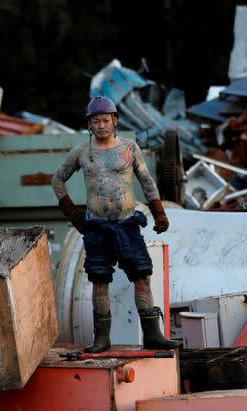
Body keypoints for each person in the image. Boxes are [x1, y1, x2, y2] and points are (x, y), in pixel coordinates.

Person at [51, 95, 181, 352]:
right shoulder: (81, 153)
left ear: (115, 121)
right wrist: (73, 213)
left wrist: (159, 213)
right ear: (89, 124)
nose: (101, 125)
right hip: (97, 229)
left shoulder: (129, 148)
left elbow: (147, 182)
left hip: (128, 225)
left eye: (105, 120)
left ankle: (153, 335)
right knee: (100, 280)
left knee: (141, 276)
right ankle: (102, 338)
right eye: (96, 121)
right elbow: (57, 180)